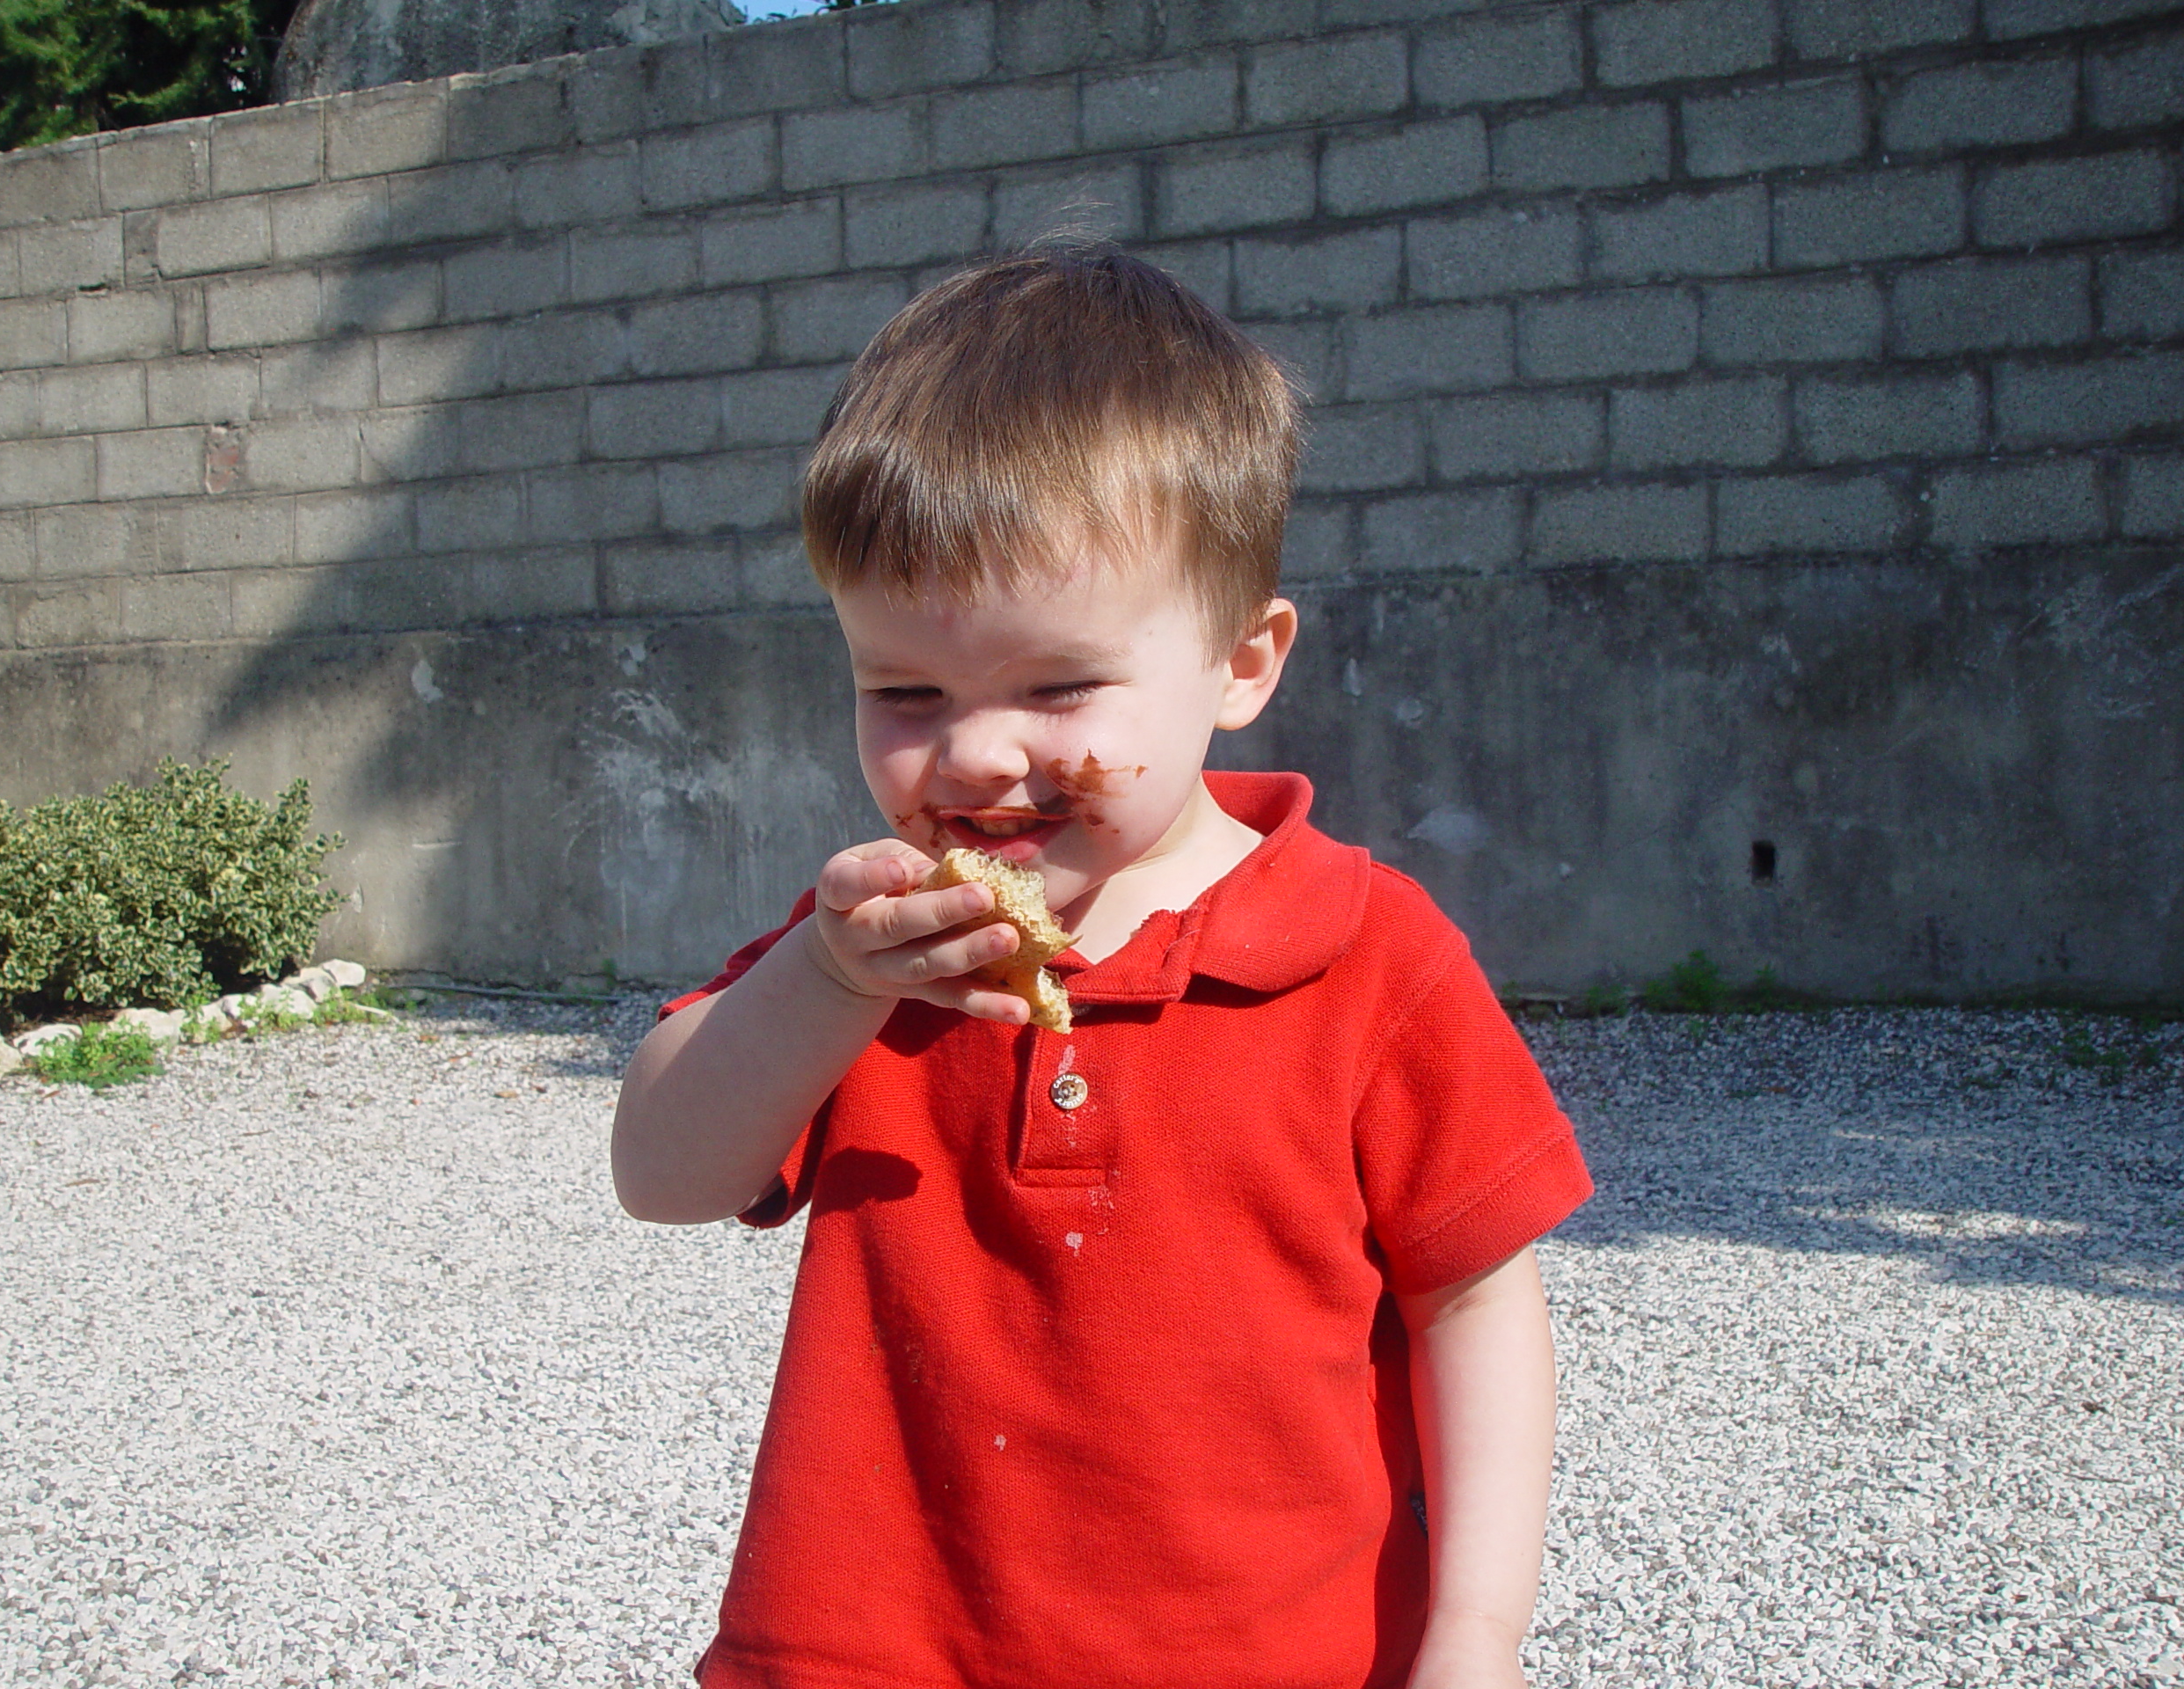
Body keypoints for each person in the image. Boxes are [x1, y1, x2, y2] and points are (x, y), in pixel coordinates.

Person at [610, 243, 1594, 1689]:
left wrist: (1475, 1636)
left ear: (1243, 663)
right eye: (904, 691)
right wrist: (824, 983)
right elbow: (662, 1172)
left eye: (1060, 685)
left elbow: (1477, 1301)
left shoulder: (1367, 957)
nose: (974, 753)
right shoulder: (875, 953)